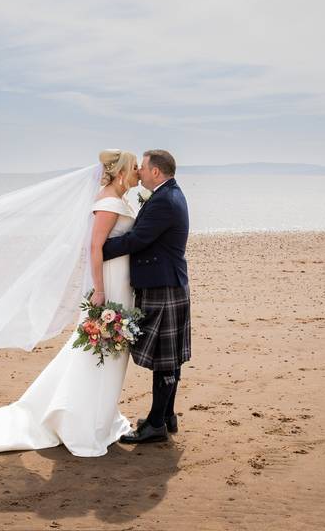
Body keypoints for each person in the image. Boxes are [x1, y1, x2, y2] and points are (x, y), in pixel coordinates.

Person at [0, 150, 142, 456]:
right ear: (120, 172)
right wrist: (100, 290)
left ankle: (96, 414)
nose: (138, 172)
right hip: (110, 284)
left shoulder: (117, 199)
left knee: (104, 352)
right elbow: (94, 247)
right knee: (97, 351)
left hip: (120, 281)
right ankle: (77, 418)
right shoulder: (108, 203)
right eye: (134, 168)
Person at [102, 149, 190, 444]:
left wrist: (101, 250)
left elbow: (138, 239)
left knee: (166, 358)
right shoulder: (169, 195)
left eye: (143, 167)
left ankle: (155, 424)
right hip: (168, 283)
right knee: (170, 356)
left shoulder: (165, 200)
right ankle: (165, 416)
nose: (138, 172)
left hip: (163, 285)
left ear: (156, 172)